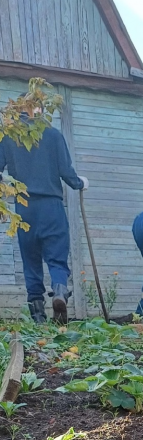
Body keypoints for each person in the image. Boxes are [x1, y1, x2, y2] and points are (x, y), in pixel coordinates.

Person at [0, 102, 88, 324]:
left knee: (31, 261)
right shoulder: (53, 135)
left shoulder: (8, 137)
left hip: (24, 208)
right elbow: (66, 172)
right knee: (57, 257)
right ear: (39, 110)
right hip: (51, 207)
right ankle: (59, 292)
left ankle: (38, 317)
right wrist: (81, 183)